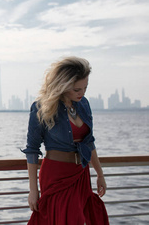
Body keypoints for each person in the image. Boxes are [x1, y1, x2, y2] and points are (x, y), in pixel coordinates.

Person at [21, 56, 109, 224]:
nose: (82, 93)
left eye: (85, 87)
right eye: (77, 89)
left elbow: (89, 142)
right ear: (63, 85)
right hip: (56, 175)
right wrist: (33, 190)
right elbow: (32, 150)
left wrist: (100, 174)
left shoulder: (84, 104)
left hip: (81, 173)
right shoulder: (41, 107)